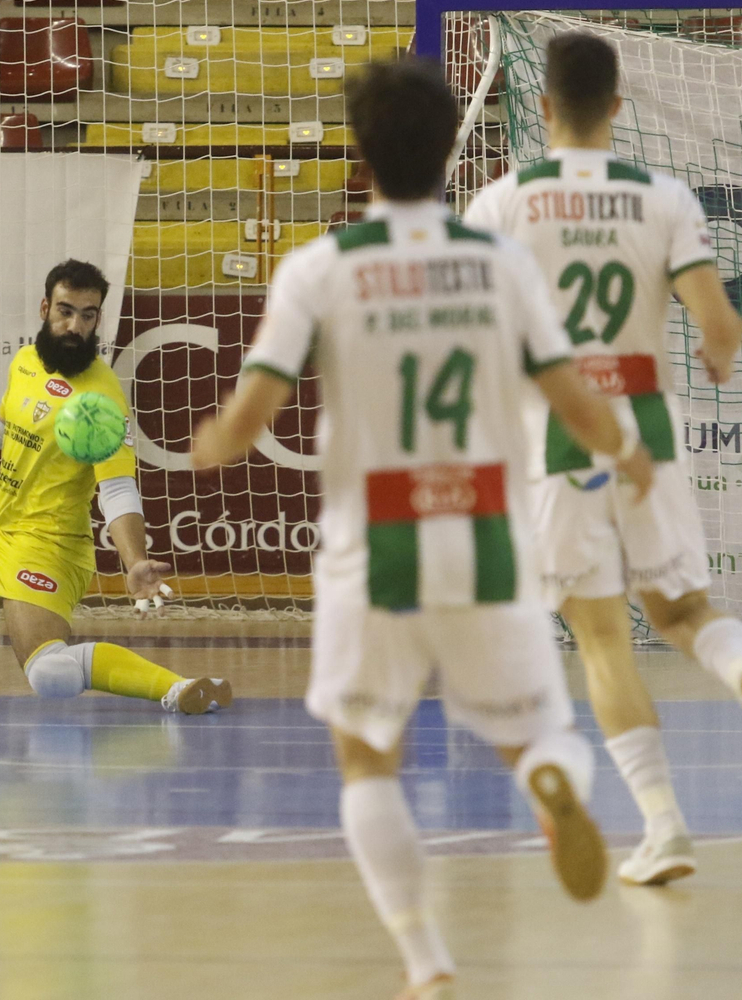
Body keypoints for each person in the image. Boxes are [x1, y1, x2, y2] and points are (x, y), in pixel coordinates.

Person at [190, 56, 654, 1000]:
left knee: (368, 760)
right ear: (454, 150)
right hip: (486, 534)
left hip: (377, 548)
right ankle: (552, 785)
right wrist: (630, 453)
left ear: (359, 156)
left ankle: (425, 958)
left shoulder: (320, 268)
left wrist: (210, 443)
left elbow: (246, 424)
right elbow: (581, 406)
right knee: (539, 735)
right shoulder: (501, 263)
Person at [463, 30, 742, 887]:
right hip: (647, 426)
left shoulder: (501, 203)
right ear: (618, 110)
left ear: (544, 106)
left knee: (600, 639)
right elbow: (719, 321)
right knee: (682, 612)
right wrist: (717, 352)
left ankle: (663, 826)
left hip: (558, 430)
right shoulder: (661, 197)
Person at [0, 258, 232, 714]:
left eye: (87, 315)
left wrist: (135, 560)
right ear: (45, 308)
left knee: (49, 673)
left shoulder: (101, 398)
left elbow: (117, 489)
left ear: (98, 318)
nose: (75, 325)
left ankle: (179, 688)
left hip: (48, 546)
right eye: (65, 311)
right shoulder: (25, 362)